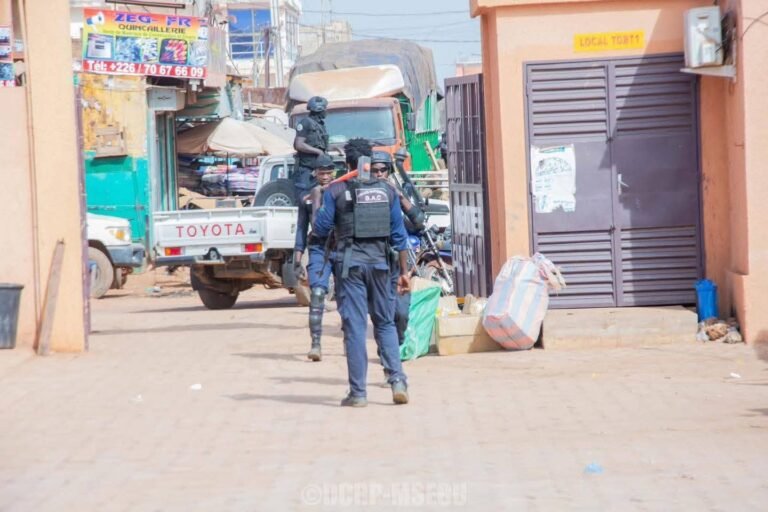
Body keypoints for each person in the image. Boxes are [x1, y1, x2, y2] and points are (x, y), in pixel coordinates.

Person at [313, 151, 411, 408]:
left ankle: (358, 393)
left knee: (355, 327)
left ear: (349, 165)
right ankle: (398, 381)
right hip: (381, 266)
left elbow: (321, 228)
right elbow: (399, 236)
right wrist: (404, 272)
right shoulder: (388, 192)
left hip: (350, 268)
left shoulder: (335, 190)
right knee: (385, 323)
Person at [293, 154, 337, 362]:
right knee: (318, 293)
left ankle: (350, 340)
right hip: (319, 248)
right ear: (315, 173)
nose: (325, 177)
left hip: (342, 247)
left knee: (348, 297)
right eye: (322, 173)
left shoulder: (342, 191)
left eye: (329, 173)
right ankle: (316, 344)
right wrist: (297, 258)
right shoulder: (307, 197)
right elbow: (302, 228)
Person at [293, 96, 329, 199]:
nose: (326, 111)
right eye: (325, 109)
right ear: (319, 110)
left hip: (318, 169)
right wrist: (318, 152)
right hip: (307, 170)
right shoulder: (305, 123)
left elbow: (321, 144)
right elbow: (299, 144)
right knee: (306, 197)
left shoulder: (320, 125)